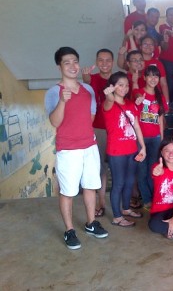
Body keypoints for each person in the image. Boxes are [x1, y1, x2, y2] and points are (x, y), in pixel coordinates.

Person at [45, 47, 108, 250]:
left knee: (90, 185)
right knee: (69, 191)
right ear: (59, 66)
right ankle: (69, 230)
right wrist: (63, 101)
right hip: (68, 149)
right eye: (67, 62)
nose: (72, 66)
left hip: (89, 146)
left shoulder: (87, 90)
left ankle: (91, 223)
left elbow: (89, 118)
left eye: (75, 62)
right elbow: (55, 122)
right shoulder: (54, 92)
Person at [102, 71, 146, 227]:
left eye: (126, 85)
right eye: (120, 85)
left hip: (132, 149)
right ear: (112, 86)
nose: (124, 88)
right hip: (116, 152)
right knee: (119, 183)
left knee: (129, 182)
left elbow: (137, 126)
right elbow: (109, 99)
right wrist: (109, 94)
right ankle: (117, 217)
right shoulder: (109, 103)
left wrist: (143, 147)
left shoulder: (131, 104)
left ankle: (126, 209)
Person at [81, 48, 114, 217]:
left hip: (116, 129)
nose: (104, 63)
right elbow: (85, 97)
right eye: (100, 60)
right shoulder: (91, 79)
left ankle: (123, 203)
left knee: (118, 167)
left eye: (108, 60)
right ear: (96, 61)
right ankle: (101, 202)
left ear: (113, 62)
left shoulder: (117, 80)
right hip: (98, 129)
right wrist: (86, 80)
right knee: (99, 167)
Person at [134, 65, 168, 210]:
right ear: (144, 77)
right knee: (141, 171)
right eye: (150, 76)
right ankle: (147, 199)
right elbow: (134, 111)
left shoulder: (160, 96)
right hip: (140, 140)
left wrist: (161, 139)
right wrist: (137, 101)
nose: (153, 79)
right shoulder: (139, 93)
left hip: (155, 138)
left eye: (156, 76)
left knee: (152, 170)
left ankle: (154, 198)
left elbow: (160, 119)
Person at [140, 35, 170, 103]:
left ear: (154, 47)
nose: (148, 46)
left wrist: (167, 102)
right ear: (140, 46)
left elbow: (163, 84)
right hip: (139, 98)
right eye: (145, 44)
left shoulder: (158, 63)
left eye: (151, 44)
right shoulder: (136, 62)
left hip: (155, 99)